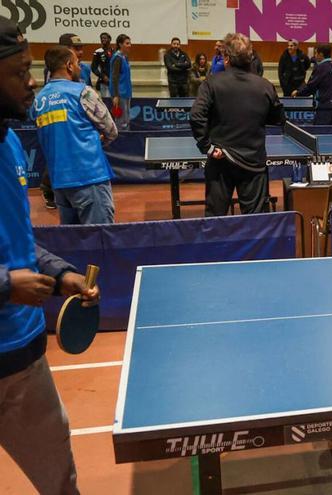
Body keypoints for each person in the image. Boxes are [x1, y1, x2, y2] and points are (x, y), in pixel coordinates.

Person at [0, 17, 101, 494]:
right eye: (20, 72)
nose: (33, 81)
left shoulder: (9, 145)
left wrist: (59, 275)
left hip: (23, 356)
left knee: (62, 484)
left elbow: (16, 239)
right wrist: (5, 285)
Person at [190, 33, 284, 217]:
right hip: (253, 163)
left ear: (226, 58)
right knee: (257, 220)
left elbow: (196, 115)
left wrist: (207, 147)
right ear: (250, 58)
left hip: (221, 161)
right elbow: (278, 118)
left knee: (216, 219)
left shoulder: (211, 83)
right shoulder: (265, 86)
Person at [31, 46, 117, 225]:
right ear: (69, 66)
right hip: (90, 178)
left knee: (74, 242)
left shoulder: (38, 101)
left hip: (60, 183)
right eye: (77, 63)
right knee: (101, 240)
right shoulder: (83, 93)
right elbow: (111, 131)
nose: (79, 67)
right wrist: (95, 143)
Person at [294, 44, 332, 125]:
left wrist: (298, 93)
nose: (315, 55)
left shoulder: (321, 67)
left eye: (316, 53)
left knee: (321, 132)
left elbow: (311, 86)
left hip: (326, 107)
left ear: (321, 54)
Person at [108, 34, 132, 130]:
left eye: (130, 43)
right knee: (121, 121)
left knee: (126, 119)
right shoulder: (117, 58)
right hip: (120, 94)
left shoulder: (124, 57)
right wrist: (115, 95)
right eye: (127, 43)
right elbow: (114, 77)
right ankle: (121, 142)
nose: (130, 45)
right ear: (120, 44)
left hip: (126, 93)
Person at [90, 32, 113, 97]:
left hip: (114, 82)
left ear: (109, 39)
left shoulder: (114, 51)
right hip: (104, 82)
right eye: (101, 38)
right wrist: (102, 76)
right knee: (106, 101)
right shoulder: (98, 52)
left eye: (105, 38)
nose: (103, 40)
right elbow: (93, 68)